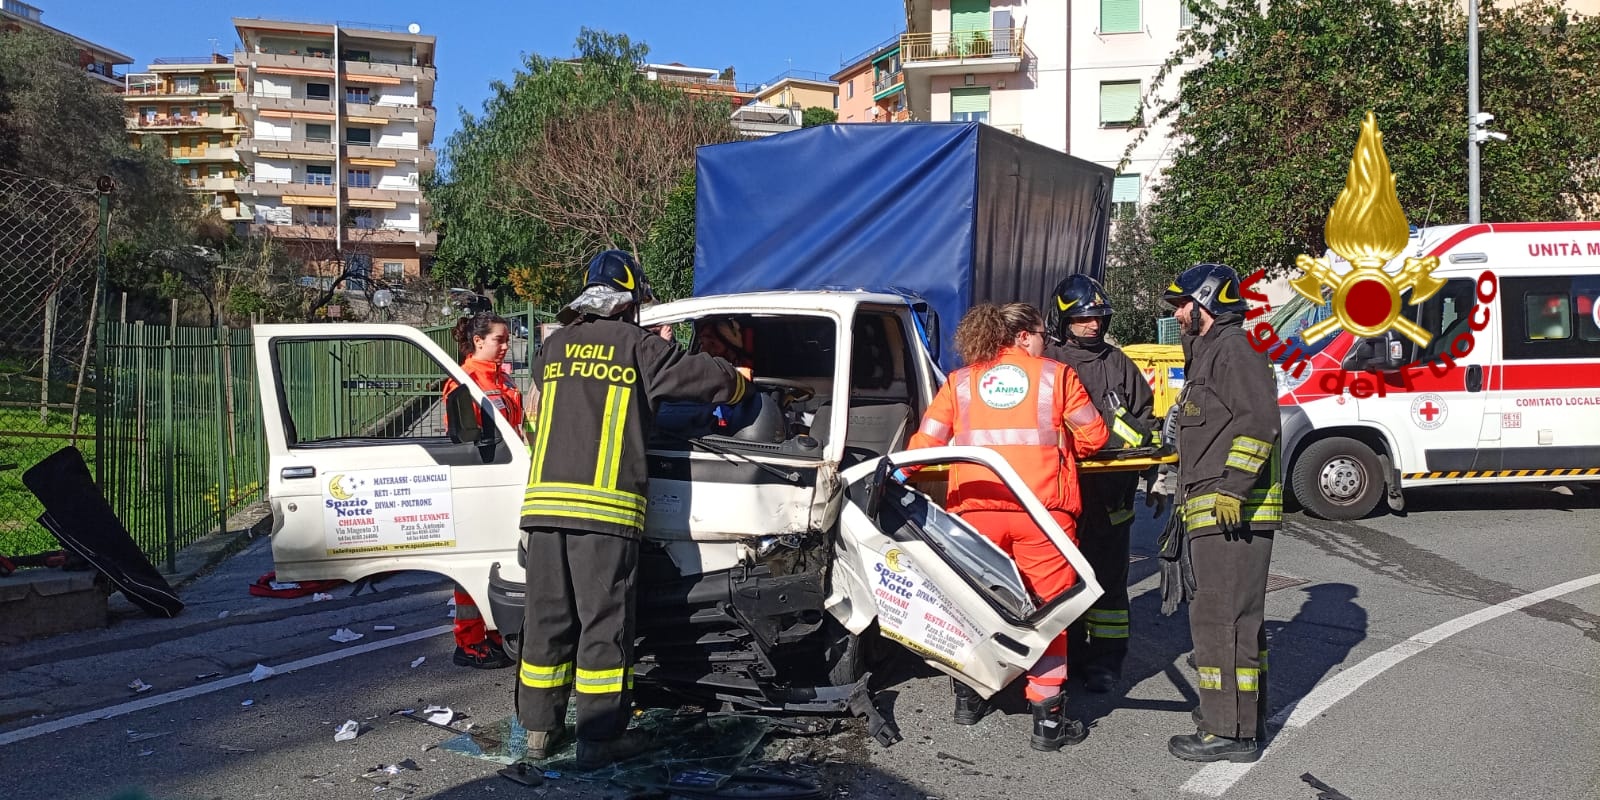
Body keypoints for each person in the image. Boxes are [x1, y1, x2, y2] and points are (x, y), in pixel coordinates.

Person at [518, 250, 751, 768]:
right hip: (603, 513)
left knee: (547, 618)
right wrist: (739, 380)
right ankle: (599, 739)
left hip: (543, 508)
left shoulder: (552, 348)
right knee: (604, 624)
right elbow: (703, 378)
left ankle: (539, 730)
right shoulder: (639, 348)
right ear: (630, 303)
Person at [906, 302, 1109, 751]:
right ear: (1022, 336)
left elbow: (926, 444)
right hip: (1044, 516)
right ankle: (1047, 720)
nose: (1044, 344)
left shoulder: (960, 382)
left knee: (972, 607)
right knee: (1049, 612)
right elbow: (1094, 437)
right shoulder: (1056, 376)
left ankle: (968, 696)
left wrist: (892, 478)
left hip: (975, 514)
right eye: (1040, 335)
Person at [1149, 262, 1283, 764]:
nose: (1178, 313)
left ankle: (1229, 731)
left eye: (1183, 304)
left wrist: (1234, 488)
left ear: (1205, 303)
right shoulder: (1209, 354)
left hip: (1232, 513)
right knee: (1229, 619)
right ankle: (1239, 717)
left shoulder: (1235, 349)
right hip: (1212, 511)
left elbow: (1260, 422)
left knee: (1221, 621)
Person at [1043, 274, 1157, 695]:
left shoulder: (1117, 362)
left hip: (1113, 496)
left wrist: (1143, 462)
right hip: (1062, 496)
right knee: (1062, 584)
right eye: (1084, 319)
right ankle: (1063, 659)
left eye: (1099, 318)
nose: (1093, 326)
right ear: (1064, 320)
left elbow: (1145, 418)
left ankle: (1106, 663)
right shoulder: (1049, 363)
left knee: (1109, 585)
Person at [441, 311, 525, 670]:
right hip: (480, 485)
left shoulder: (499, 378)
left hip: (505, 480)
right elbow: (463, 440)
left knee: (501, 561)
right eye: (499, 340)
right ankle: (470, 641)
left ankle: (492, 631)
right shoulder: (464, 381)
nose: (506, 346)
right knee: (474, 567)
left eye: (506, 340)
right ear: (478, 342)